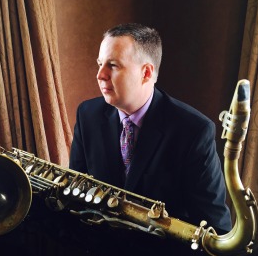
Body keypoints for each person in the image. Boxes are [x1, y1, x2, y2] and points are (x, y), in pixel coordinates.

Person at [69, 23, 232, 234]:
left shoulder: (194, 131)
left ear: (146, 73)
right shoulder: (87, 114)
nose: (100, 75)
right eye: (100, 64)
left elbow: (216, 227)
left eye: (113, 65)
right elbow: (74, 195)